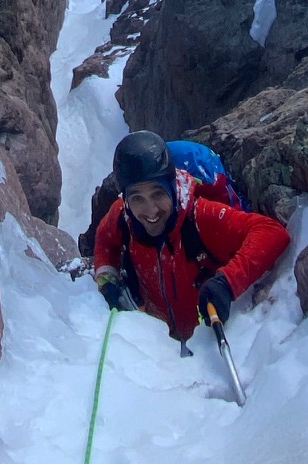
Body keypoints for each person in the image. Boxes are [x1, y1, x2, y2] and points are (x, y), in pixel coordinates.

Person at [92, 131, 290, 342]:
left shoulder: (199, 216)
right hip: (156, 348)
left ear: (171, 187)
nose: (150, 211)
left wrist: (227, 282)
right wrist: (107, 279)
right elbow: (105, 238)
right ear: (126, 199)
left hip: (204, 345)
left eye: (158, 194)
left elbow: (271, 232)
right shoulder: (123, 216)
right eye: (138, 198)